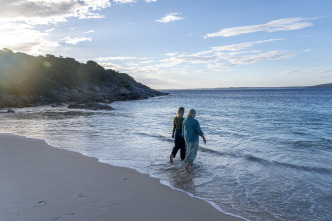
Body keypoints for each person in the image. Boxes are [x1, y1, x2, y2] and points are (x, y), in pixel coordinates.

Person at [182, 109, 206, 173]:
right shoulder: (195, 121)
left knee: (189, 151)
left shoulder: (185, 120)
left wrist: (184, 137)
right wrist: (203, 137)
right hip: (194, 139)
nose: (195, 115)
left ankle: (191, 164)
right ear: (193, 114)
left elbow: (183, 130)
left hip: (187, 139)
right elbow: (199, 131)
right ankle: (187, 166)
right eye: (195, 114)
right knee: (193, 153)